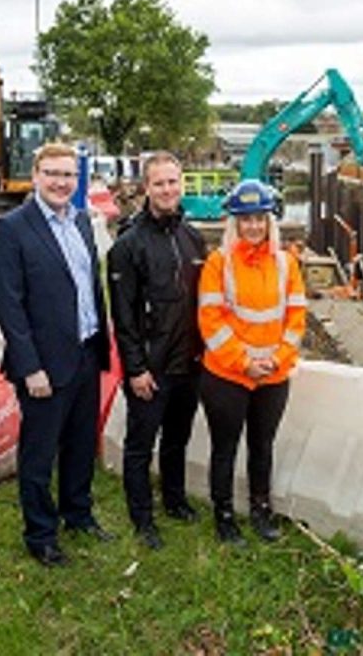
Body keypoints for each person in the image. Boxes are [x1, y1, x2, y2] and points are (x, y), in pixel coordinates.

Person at [0, 143, 113, 567]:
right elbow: (9, 304)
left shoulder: (79, 221)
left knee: (80, 445)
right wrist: (30, 367)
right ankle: (40, 533)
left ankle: (77, 513)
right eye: (53, 174)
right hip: (43, 363)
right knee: (39, 454)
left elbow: (89, 287)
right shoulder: (12, 228)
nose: (61, 182)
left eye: (69, 175)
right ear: (36, 175)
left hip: (84, 352)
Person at [197, 180, 306, 545]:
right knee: (224, 448)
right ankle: (224, 516)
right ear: (235, 223)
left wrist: (277, 360)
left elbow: (295, 319)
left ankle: (261, 510)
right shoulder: (218, 262)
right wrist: (244, 362)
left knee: (263, 446)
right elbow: (210, 321)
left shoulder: (287, 263)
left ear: (270, 220)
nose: (254, 226)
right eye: (246, 220)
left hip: (273, 376)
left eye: (260, 218)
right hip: (227, 376)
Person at [107, 151, 206, 550]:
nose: (168, 190)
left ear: (181, 184)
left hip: (189, 362)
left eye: (173, 182)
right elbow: (123, 315)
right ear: (146, 188)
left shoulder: (193, 237)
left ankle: (175, 499)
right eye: (159, 183)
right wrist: (135, 368)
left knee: (178, 438)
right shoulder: (129, 245)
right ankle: (142, 516)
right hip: (151, 365)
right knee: (140, 445)